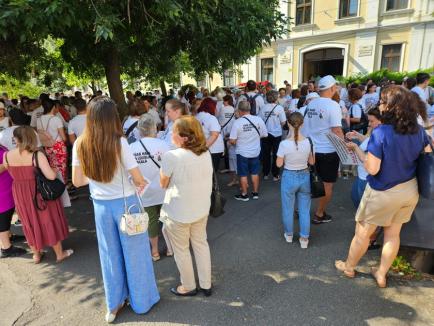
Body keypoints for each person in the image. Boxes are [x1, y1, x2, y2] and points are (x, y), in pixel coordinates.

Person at [72, 97, 159, 322]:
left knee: (109, 256)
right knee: (136, 253)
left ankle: (114, 303)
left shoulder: (80, 143)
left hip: (100, 205)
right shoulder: (119, 143)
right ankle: (141, 301)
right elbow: (138, 178)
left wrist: (98, 176)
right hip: (126, 203)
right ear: (113, 118)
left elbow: (77, 181)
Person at [335, 86, 432, 288]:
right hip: (409, 190)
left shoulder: (381, 133)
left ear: (392, 106)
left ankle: (349, 266)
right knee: (393, 234)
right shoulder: (419, 131)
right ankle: (381, 273)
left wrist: (359, 153)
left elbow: (372, 168)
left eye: (382, 101)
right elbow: (427, 156)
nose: (379, 104)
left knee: (362, 234)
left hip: (382, 190)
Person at [159, 115, 213, 297]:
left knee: (181, 250)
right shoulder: (206, 152)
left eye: (173, 132)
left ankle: (188, 286)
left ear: (183, 137)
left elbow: (163, 183)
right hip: (201, 207)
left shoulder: (172, 156)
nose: (171, 135)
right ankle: (206, 284)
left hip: (178, 211)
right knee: (201, 244)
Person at [3, 126, 72, 263]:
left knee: (29, 222)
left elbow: (9, 170)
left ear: (15, 139)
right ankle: (59, 254)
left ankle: (36, 254)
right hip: (38, 191)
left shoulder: (7, 155)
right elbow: (51, 176)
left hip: (20, 192)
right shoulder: (36, 154)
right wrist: (53, 168)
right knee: (47, 219)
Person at [129, 114, 171, 261]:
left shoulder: (131, 148)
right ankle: (170, 247)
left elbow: (129, 172)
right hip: (163, 188)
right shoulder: (163, 145)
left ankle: (154, 251)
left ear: (139, 130)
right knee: (167, 218)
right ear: (154, 128)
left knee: (151, 220)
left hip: (143, 191)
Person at [303, 75, 344, 224]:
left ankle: (303, 209)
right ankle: (319, 213)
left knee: (310, 182)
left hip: (311, 150)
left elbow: (306, 128)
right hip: (328, 151)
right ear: (333, 88)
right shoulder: (333, 105)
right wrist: (345, 148)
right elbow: (337, 130)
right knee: (327, 184)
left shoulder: (311, 104)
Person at [276, 112, 314, 249]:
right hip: (304, 176)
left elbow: (279, 164)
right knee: (304, 210)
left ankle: (289, 235)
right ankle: (304, 238)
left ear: (288, 124)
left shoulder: (284, 144)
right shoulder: (308, 142)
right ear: (302, 124)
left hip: (289, 176)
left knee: (288, 208)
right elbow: (312, 161)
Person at [229, 101, 268, 201]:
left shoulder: (237, 122)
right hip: (255, 151)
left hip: (242, 152)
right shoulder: (258, 119)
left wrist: (237, 140)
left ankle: (244, 194)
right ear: (249, 109)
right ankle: (255, 193)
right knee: (255, 172)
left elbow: (232, 141)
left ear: (239, 110)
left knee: (243, 174)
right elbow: (265, 134)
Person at [345, 108, 382, 207]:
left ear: (381, 120)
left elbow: (366, 159)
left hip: (367, 177)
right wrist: (357, 136)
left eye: (371, 121)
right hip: (363, 174)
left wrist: (355, 147)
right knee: (356, 198)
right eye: (368, 120)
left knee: (363, 207)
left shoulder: (380, 136)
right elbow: (368, 141)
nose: (369, 124)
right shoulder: (377, 132)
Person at [0, 144, 27, 258]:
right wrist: (8, 163)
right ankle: (6, 248)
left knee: (8, 214)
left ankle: (9, 236)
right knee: (3, 217)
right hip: (2, 192)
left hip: (6, 188)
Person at [37, 99, 68, 182]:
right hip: (58, 146)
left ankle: (56, 185)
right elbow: (64, 138)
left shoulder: (39, 120)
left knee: (53, 167)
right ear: (54, 107)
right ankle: (63, 186)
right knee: (62, 167)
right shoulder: (56, 119)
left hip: (47, 146)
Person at [259, 90, 286, 181]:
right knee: (276, 155)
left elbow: (260, 121)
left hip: (265, 134)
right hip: (277, 134)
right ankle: (275, 174)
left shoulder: (263, 107)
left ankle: (265, 173)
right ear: (276, 98)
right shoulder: (279, 108)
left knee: (266, 155)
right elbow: (283, 122)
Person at [195, 98, 225, 171]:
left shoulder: (196, 117)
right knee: (211, 172)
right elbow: (214, 135)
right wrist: (204, 148)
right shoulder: (211, 118)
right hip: (213, 150)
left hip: (202, 148)